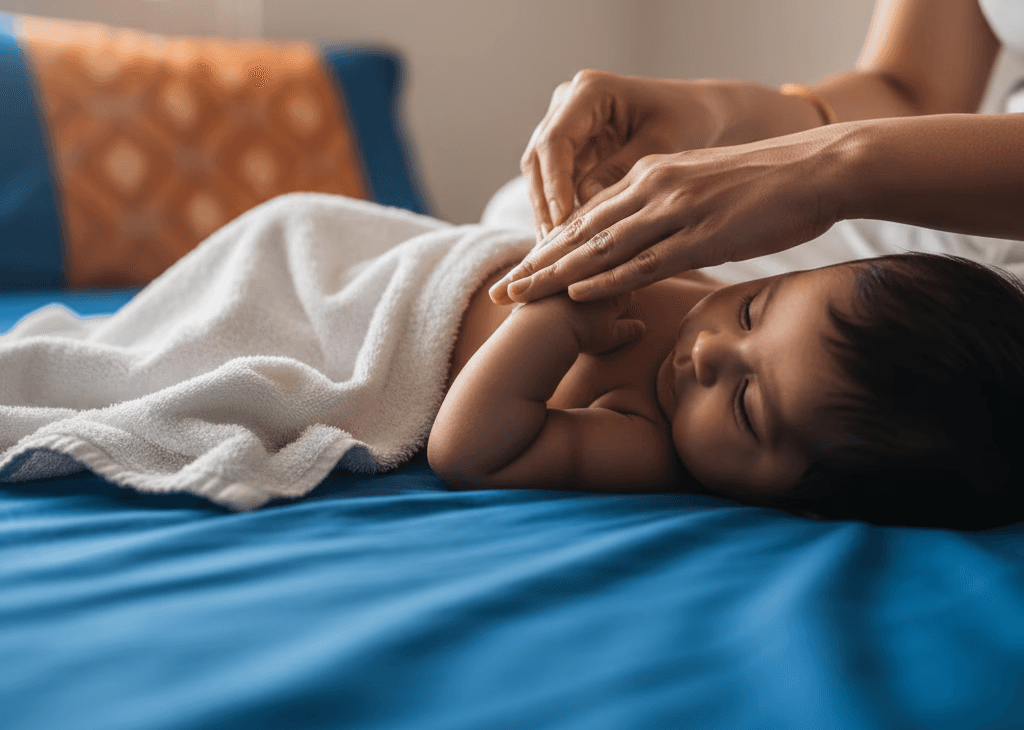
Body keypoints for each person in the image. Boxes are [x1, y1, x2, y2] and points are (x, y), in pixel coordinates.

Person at [431, 245, 1024, 531]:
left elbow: (471, 454)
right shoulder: (703, 295)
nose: (709, 351)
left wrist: (550, 323)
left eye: (746, 403)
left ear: (801, 501)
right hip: (452, 254)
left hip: (417, 320)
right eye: (751, 310)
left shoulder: (647, 441)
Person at [488, 0, 1024, 306]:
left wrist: (826, 170)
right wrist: (717, 111)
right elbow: (911, 88)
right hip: (963, 197)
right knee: (530, 213)